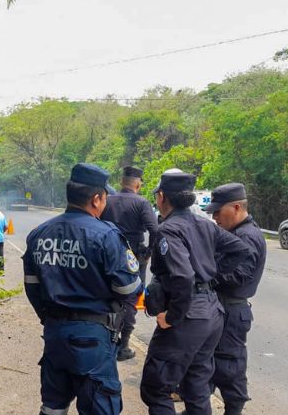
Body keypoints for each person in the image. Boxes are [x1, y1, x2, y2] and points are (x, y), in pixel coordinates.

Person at [24, 163, 142, 415]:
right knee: (100, 406)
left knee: (53, 406)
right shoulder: (106, 235)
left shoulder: (39, 234)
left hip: (55, 333)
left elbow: (32, 287)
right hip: (93, 339)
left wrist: (50, 317)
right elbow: (128, 288)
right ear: (97, 199)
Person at [140, 172, 250, 415]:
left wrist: (172, 317)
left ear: (161, 197)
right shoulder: (205, 225)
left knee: (156, 388)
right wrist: (209, 277)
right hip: (211, 315)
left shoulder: (168, 230)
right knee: (196, 385)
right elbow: (240, 250)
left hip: (187, 319)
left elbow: (182, 276)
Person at [205, 183, 267, 415]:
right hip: (222, 307)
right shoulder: (236, 232)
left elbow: (239, 276)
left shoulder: (247, 236)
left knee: (229, 363)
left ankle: (234, 409)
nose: (215, 217)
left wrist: (207, 277)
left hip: (231, 310)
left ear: (237, 207)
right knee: (209, 360)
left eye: (219, 212)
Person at [100, 165, 159, 361]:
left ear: (121, 182)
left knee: (108, 294)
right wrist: (148, 253)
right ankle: (123, 344)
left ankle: (107, 339)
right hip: (133, 257)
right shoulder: (142, 203)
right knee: (131, 298)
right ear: (138, 184)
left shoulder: (107, 201)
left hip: (108, 252)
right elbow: (155, 230)